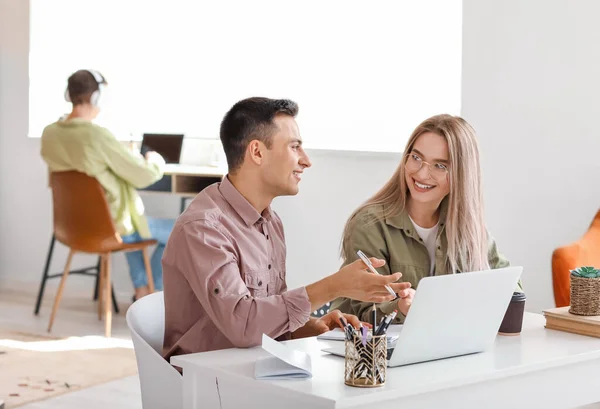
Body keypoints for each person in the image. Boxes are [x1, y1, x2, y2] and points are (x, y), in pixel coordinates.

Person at [161, 97, 411, 360]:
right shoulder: (204, 229)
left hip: (253, 369)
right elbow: (242, 325)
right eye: (295, 147)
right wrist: (333, 287)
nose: (306, 161)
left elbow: (263, 316)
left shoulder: (270, 222)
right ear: (257, 152)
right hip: (207, 384)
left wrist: (311, 327)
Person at [329, 114, 523, 323]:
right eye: (417, 157)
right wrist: (400, 308)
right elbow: (366, 312)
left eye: (440, 166)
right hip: (369, 351)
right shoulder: (369, 224)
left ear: (461, 175)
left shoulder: (466, 226)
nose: (422, 174)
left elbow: (511, 287)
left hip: (442, 349)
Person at [40, 69, 174, 301]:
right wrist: (155, 160)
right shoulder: (96, 135)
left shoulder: (50, 134)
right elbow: (143, 175)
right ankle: (155, 294)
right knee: (182, 231)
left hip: (74, 225)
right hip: (111, 226)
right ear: (95, 98)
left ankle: (143, 292)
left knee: (130, 224)